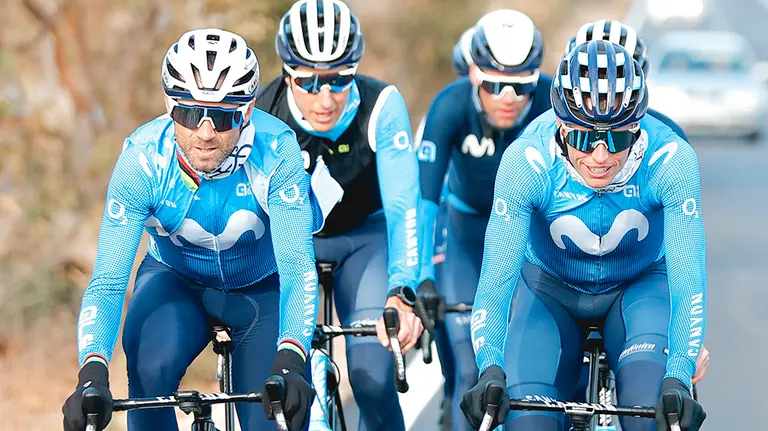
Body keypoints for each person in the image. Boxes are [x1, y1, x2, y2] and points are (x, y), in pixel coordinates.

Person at [62, 28, 324, 431]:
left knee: (278, 415)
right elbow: (108, 282)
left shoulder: (278, 151)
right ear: (169, 105)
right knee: (149, 375)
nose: (204, 132)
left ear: (248, 110)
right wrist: (91, 371)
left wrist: (292, 355)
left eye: (222, 116)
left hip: (261, 289)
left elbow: (297, 266)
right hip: (175, 281)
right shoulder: (142, 160)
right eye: (188, 113)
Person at [460, 40, 707, 431]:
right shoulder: (527, 162)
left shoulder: (670, 160)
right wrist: (490, 367)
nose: (600, 156)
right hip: (549, 291)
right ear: (560, 124)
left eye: (617, 138)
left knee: (654, 420)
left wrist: (680, 367)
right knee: (528, 425)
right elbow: (495, 280)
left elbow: (687, 277)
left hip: (638, 288)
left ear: (637, 127)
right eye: (582, 137)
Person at [255, 1, 423, 430]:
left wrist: (402, 291)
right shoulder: (261, 114)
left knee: (370, 378)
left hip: (364, 241)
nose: (325, 97)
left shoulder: (380, 105)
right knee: (292, 386)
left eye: (339, 79)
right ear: (287, 73)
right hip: (292, 244)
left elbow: (404, 206)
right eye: (308, 82)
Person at [415, 10, 553, 431]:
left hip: (534, 239)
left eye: (521, 85)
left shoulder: (554, 101)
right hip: (467, 235)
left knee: (534, 372)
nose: (508, 96)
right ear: (474, 74)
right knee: (470, 367)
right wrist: (422, 278)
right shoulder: (450, 105)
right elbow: (424, 202)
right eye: (494, 84)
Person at [566, 19, 711, 388]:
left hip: (639, 280)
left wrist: (684, 338)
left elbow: (683, 251)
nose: (603, 100)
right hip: (561, 282)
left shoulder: (669, 140)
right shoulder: (540, 136)